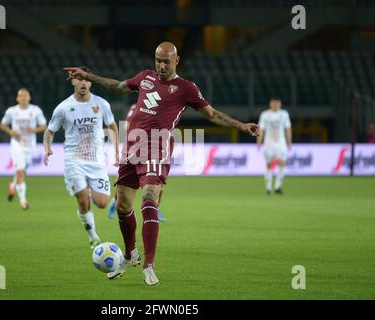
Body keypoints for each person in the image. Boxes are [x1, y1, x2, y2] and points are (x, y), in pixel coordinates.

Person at [64, 42, 260, 286]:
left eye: (167, 61)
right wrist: (87, 75)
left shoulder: (186, 88)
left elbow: (212, 114)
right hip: (132, 147)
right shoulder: (145, 77)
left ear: (177, 60)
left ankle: (149, 265)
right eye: (158, 60)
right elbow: (117, 86)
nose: (161, 65)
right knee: (122, 204)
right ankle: (130, 255)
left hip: (157, 147)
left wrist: (241, 125)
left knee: (149, 198)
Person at [43, 67, 119, 249]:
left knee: (101, 203)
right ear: (73, 81)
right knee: (83, 199)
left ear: (90, 82)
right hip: (73, 159)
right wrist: (47, 148)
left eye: (86, 79)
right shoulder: (63, 108)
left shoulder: (102, 104)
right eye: (79, 79)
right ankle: (93, 237)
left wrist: (117, 151)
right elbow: (49, 131)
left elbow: (113, 127)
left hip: (96, 160)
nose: (83, 83)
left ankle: (88, 190)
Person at [107, 104, 167, 222]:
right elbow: (126, 125)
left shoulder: (160, 106)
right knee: (125, 179)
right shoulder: (136, 107)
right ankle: (115, 201)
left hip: (154, 147)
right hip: (135, 147)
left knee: (158, 181)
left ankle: (155, 208)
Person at [0, 88, 47, 210]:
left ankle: (12, 185)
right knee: (20, 171)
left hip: (30, 146)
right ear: (17, 98)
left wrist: (34, 130)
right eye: (21, 96)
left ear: (29, 98)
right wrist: (10, 131)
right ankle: (23, 201)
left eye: (25, 96)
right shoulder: (12, 111)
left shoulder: (35, 110)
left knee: (22, 172)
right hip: (17, 145)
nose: (23, 98)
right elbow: (3, 124)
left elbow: (44, 126)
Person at [257, 97, 292, 195]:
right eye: (273, 103)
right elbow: (261, 129)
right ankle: (268, 188)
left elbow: (288, 128)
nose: (275, 104)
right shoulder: (265, 115)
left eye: (277, 103)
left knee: (282, 163)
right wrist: (259, 141)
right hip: (269, 143)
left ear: (280, 104)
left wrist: (289, 142)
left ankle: (277, 187)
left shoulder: (284, 114)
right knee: (269, 165)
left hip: (281, 143)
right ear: (270, 104)